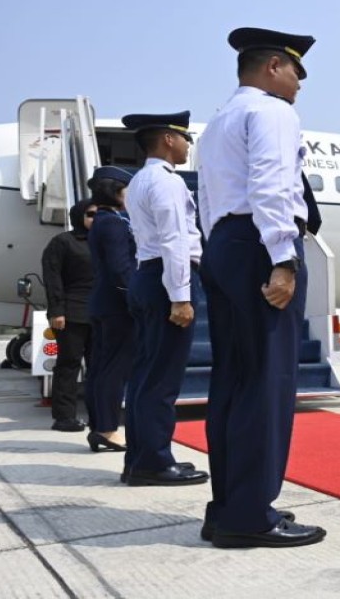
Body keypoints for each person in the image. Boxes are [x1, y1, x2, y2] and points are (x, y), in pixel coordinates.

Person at [196, 26, 326, 549]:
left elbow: (209, 201)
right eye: (297, 71)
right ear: (274, 65)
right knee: (268, 382)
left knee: (231, 383)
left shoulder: (218, 121)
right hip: (258, 245)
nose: (300, 83)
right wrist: (284, 259)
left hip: (225, 244)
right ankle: (250, 514)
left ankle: (228, 506)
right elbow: (272, 185)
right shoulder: (272, 111)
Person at [121, 110, 209, 487]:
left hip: (146, 276)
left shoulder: (140, 180)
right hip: (163, 281)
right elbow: (175, 240)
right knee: (161, 380)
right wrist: (180, 296)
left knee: (144, 375)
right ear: (168, 139)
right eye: (185, 138)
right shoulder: (166, 182)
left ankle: (141, 458)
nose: (189, 145)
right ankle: (154, 462)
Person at [85, 165, 136, 454]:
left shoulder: (101, 221)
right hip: (117, 305)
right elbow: (120, 268)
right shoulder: (114, 223)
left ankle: (99, 425)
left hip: (102, 302)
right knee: (114, 369)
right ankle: (107, 429)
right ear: (116, 191)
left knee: (102, 368)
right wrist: (134, 297)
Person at [42, 199, 96, 433]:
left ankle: (99, 415)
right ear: (79, 216)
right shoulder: (63, 242)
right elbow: (53, 278)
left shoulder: (105, 242)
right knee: (68, 365)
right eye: (91, 214)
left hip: (101, 315)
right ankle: (64, 417)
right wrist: (57, 311)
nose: (96, 218)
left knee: (100, 367)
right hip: (72, 314)